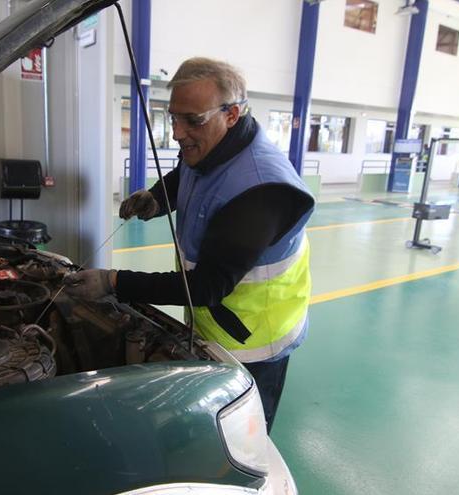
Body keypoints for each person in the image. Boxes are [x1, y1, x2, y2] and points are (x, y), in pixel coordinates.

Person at [64, 57, 314, 432]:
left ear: (231, 114)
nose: (178, 133)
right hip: (215, 323)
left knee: (242, 431)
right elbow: (185, 174)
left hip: (256, 338)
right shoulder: (212, 145)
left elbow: (206, 287)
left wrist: (113, 283)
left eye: (192, 121)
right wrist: (157, 198)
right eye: (172, 117)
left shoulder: (262, 191)